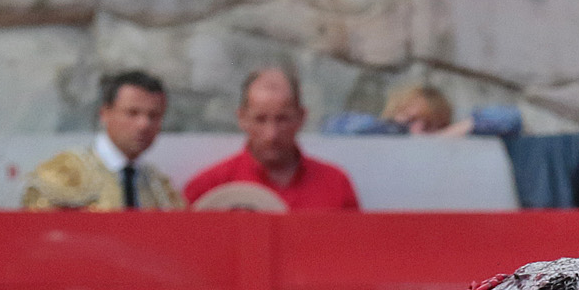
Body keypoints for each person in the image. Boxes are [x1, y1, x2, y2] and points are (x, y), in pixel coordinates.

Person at [184, 69, 360, 211]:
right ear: (242, 118)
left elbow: (355, 251)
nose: (271, 134)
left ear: (301, 117)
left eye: (282, 119)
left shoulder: (336, 184)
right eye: (260, 119)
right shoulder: (207, 188)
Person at [22, 71, 183, 211]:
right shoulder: (63, 173)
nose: (144, 125)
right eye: (132, 113)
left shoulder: (160, 187)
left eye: (154, 116)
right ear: (105, 114)